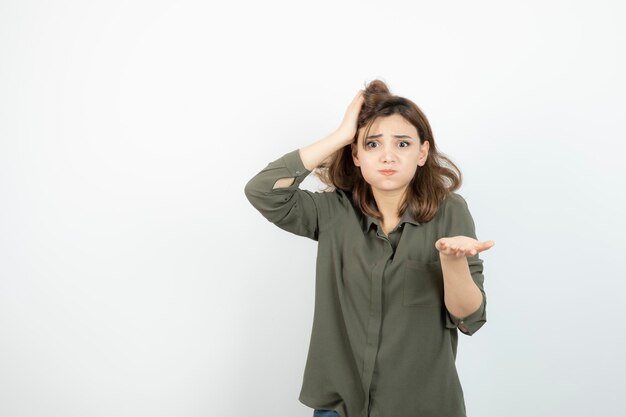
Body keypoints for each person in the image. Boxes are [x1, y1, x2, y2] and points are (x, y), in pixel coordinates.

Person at [244, 79, 495, 417]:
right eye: (373, 144)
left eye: (403, 144)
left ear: (422, 153)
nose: (388, 155)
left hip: (424, 407)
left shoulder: (450, 211)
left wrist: (452, 262)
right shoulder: (334, 212)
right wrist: (341, 135)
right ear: (357, 155)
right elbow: (263, 192)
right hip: (340, 409)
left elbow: (469, 319)